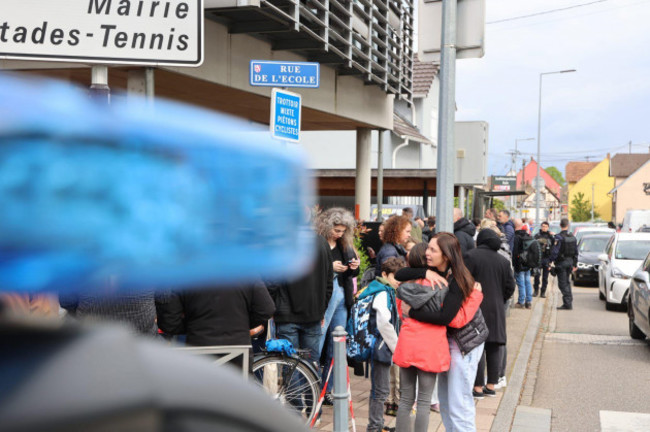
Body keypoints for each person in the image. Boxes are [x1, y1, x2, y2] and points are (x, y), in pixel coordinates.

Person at [395, 233, 488, 432]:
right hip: (443, 342)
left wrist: (412, 312)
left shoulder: (457, 279)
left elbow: (446, 317)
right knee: (445, 402)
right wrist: (425, 272)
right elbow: (399, 274)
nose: (426, 253)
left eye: (432, 250)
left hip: (465, 342)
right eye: (427, 248)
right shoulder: (432, 271)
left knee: (458, 403)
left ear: (446, 255)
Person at [156, 280, 275, 370]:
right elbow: (266, 309)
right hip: (237, 351)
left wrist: (195, 326)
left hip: (199, 350)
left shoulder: (188, 274)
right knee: (237, 399)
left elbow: (169, 322)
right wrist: (242, 324)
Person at [266, 232, 333, 363]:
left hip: (286, 315)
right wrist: (322, 309)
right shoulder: (322, 243)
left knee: (289, 364)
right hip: (313, 314)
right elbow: (329, 281)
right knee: (312, 364)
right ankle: (312, 384)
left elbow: (272, 280)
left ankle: (297, 384)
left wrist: (271, 306)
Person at [316, 207, 360, 400]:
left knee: (337, 343)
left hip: (342, 294)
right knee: (319, 339)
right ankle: (314, 386)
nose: (339, 234)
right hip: (326, 295)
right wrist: (329, 266)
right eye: (336, 230)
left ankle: (329, 389)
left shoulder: (344, 246)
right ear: (327, 226)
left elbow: (351, 275)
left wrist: (354, 268)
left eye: (343, 231)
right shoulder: (317, 243)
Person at [466, 229, 516, 398]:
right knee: (494, 345)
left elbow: (463, 281)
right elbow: (510, 285)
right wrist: (501, 298)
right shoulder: (502, 260)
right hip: (496, 308)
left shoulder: (470, 256)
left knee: (477, 345)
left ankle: (478, 387)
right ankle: (491, 385)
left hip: (475, 307)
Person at [363, 257, 406, 432]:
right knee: (380, 391)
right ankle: (374, 426)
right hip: (380, 347)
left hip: (379, 345)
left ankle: (377, 424)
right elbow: (383, 322)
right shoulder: (382, 292)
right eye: (396, 278)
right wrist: (396, 347)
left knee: (380, 389)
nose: (399, 282)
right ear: (384, 274)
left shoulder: (382, 289)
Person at [549, 218, 578, 310]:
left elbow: (555, 252)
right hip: (570, 263)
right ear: (568, 225)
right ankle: (568, 302)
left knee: (562, 284)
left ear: (560, 225)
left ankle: (567, 303)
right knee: (567, 283)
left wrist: (550, 261)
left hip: (561, 263)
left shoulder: (559, 238)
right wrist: (575, 264)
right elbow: (576, 252)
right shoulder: (573, 237)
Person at [512, 218, 534, 309]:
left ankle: (521, 302)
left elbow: (515, 252)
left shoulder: (516, 237)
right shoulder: (528, 235)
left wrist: (514, 264)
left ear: (514, 226)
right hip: (527, 264)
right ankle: (528, 302)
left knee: (521, 283)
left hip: (519, 264)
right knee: (527, 282)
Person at [533, 221, 555, 298]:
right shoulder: (537, 236)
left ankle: (543, 292)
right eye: (543, 226)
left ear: (548, 227)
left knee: (545, 277)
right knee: (537, 275)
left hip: (547, 259)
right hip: (538, 259)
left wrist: (550, 261)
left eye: (545, 226)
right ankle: (536, 290)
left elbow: (553, 249)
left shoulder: (551, 237)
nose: (544, 228)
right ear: (541, 227)